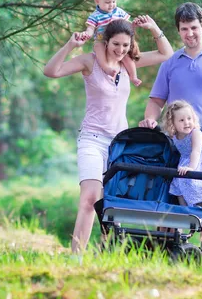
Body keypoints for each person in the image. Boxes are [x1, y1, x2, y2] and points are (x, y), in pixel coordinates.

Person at [44, 16, 174, 254]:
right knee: (90, 198)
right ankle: (76, 258)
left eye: (125, 45)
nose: (120, 50)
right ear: (105, 41)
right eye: (116, 45)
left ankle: (106, 254)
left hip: (118, 144)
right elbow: (51, 71)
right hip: (92, 140)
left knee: (112, 202)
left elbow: (166, 53)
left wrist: (154, 27)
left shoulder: (127, 63)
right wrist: (71, 45)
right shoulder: (89, 62)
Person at [139, 2, 202, 267]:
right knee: (171, 197)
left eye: (194, 27)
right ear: (178, 30)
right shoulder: (171, 62)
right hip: (177, 145)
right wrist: (150, 118)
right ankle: (170, 253)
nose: (190, 34)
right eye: (184, 29)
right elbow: (156, 99)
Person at [161, 100, 202, 206]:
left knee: (195, 183)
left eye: (189, 118)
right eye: (181, 120)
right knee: (178, 184)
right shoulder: (174, 136)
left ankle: (198, 211)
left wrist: (191, 168)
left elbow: (196, 152)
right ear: (172, 123)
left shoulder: (196, 133)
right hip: (186, 161)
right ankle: (184, 211)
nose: (186, 122)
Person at [82, 0, 142, 86]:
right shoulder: (95, 16)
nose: (111, 5)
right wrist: (87, 34)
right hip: (101, 40)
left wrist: (134, 24)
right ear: (97, 1)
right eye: (108, 2)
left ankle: (133, 76)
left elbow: (127, 26)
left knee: (126, 57)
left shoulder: (118, 12)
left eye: (114, 1)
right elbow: (90, 28)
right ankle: (106, 67)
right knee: (98, 47)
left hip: (117, 41)